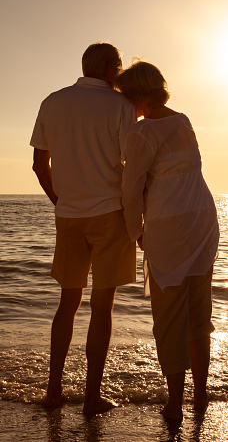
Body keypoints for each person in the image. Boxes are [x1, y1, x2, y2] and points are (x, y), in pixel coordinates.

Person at [30, 42, 136, 416]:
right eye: (120, 67)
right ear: (110, 68)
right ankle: (92, 397)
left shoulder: (53, 101)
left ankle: (53, 389)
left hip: (69, 215)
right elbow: (133, 165)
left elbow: (39, 164)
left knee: (67, 304)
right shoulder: (121, 106)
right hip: (110, 212)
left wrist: (59, 201)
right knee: (102, 308)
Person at [115, 60, 219, 421]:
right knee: (198, 315)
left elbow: (131, 191)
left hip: (168, 224)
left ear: (136, 97)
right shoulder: (184, 120)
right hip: (202, 218)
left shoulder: (141, 133)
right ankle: (201, 395)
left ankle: (175, 403)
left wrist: (136, 232)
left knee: (169, 318)